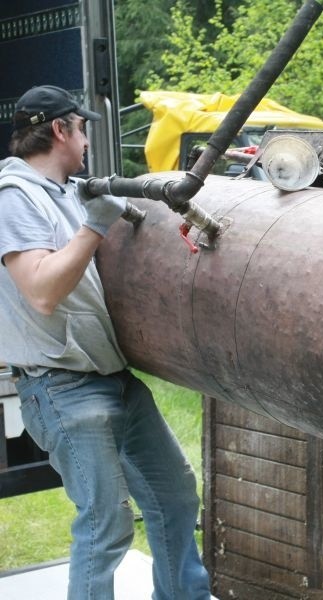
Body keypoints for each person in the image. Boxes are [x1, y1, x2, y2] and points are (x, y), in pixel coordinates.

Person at [0, 85, 216, 599]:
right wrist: (96, 225)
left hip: (110, 378)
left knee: (174, 495)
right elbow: (42, 291)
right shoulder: (14, 197)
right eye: (83, 129)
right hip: (62, 387)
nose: (88, 142)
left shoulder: (63, 192)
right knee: (105, 525)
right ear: (60, 129)